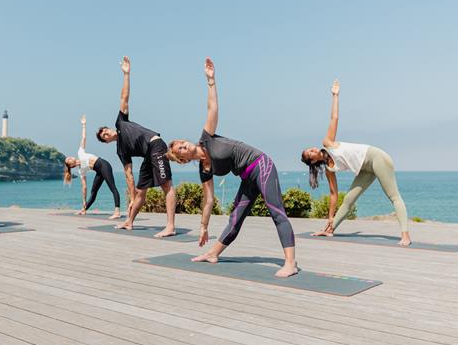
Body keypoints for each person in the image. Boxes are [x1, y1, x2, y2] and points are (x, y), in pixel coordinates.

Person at [165, 58, 298, 278]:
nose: (183, 145)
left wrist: (210, 81)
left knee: (276, 211)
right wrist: (203, 227)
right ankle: (213, 253)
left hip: (261, 164)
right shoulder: (204, 170)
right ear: (183, 159)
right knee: (235, 218)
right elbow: (208, 200)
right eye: (180, 149)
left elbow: (212, 107)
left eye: (181, 142)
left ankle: (291, 263)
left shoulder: (206, 138)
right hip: (247, 177)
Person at [300, 80, 411, 246]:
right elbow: (333, 195)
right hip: (364, 170)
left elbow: (334, 117)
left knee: (393, 196)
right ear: (312, 161)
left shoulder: (327, 142)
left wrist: (335, 96)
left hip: (376, 158)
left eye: (311, 148)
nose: (313, 149)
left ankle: (405, 235)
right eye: (310, 153)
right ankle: (329, 230)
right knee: (348, 200)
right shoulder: (330, 169)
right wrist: (330, 217)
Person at [96, 56, 177, 237]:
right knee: (140, 191)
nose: (107, 134)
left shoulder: (121, 122)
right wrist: (131, 197)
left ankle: (170, 226)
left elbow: (124, 97)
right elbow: (128, 174)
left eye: (106, 131)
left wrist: (126, 74)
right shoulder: (121, 150)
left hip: (155, 145)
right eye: (104, 137)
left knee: (167, 185)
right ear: (107, 142)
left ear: (110, 129)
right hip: (148, 155)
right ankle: (129, 222)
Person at [63, 115, 121, 219]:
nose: (70, 158)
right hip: (99, 171)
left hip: (104, 165)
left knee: (112, 187)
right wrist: (84, 202)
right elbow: (84, 187)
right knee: (93, 192)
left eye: (69, 157)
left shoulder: (80, 153)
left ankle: (117, 211)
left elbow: (83, 137)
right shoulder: (81, 171)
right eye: (68, 160)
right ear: (71, 165)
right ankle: (84, 209)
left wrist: (84, 124)